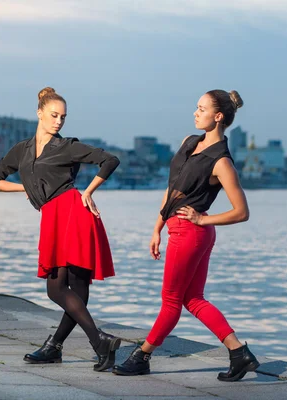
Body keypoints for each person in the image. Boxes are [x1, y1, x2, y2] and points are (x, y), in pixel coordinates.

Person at [113, 89, 260, 381]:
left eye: (202, 108)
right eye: (196, 107)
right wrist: (156, 228)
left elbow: (241, 211)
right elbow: (172, 191)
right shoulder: (188, 142)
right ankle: (239, 354)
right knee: (192, 299)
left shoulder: (221, 162)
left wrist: (203, 218)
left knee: (171, 301)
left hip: (193, 233)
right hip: (178, 230)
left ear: (218, 117)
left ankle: (141, 356)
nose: (195, 112)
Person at [0, 87, 121, 371]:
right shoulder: (21, 150)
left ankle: (89, 344)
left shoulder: (67, 146)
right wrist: (25, 186)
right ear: (39, 113)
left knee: (64, 287)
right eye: (53, 115)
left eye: (63, 117)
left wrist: (88, 191)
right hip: (52, 217)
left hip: (74, 213)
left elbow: (109, 160)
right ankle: (71, 346)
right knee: (62, 288)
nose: (58, 121)